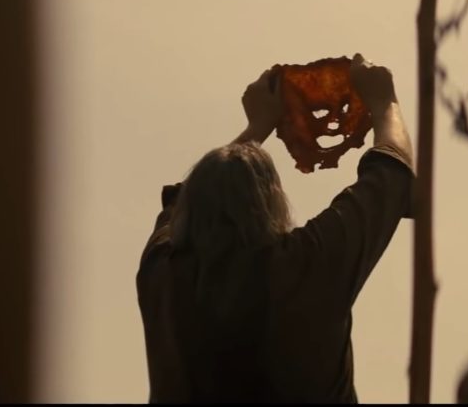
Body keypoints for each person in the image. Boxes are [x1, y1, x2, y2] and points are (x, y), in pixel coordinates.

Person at [136, 54, 415, 403]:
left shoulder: (161, 276)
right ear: (271, 202)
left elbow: (180, 204)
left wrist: (258, 127)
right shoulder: (306, 268)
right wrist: (384, 101)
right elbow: (391, 172)